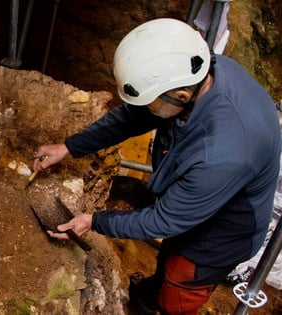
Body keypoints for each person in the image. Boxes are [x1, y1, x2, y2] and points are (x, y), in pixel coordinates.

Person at [33, 18, 281, 314]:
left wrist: (94, 221)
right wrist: (68, 147)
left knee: (180, 283)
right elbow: (132, 117)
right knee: (168, 258)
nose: (147, 109)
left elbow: (164, 221)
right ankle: (152, 296)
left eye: (151, 102)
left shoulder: (223, 153)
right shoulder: (200, 72)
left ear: (181, 97)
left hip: (219, 238)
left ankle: (166, 306)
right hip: (198, 199)